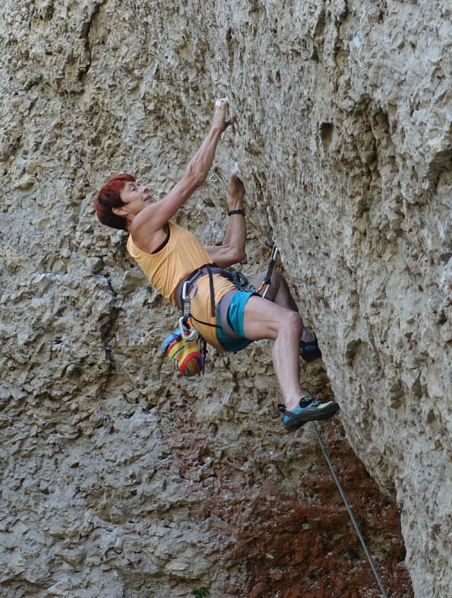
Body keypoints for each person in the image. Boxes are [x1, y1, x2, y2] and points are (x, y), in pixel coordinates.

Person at [94, 99, 340, 431]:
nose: (144, 189)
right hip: (213, 302)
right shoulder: (140, 229)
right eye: (133, 190)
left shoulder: (170, 248)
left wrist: (234, 203)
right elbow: (192, 178)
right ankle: (294, 403)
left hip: (212, 318)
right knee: (287, 321)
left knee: (275, 282)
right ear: (123, 211)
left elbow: (232, 251)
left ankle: (306, 344)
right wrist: (216, 125)